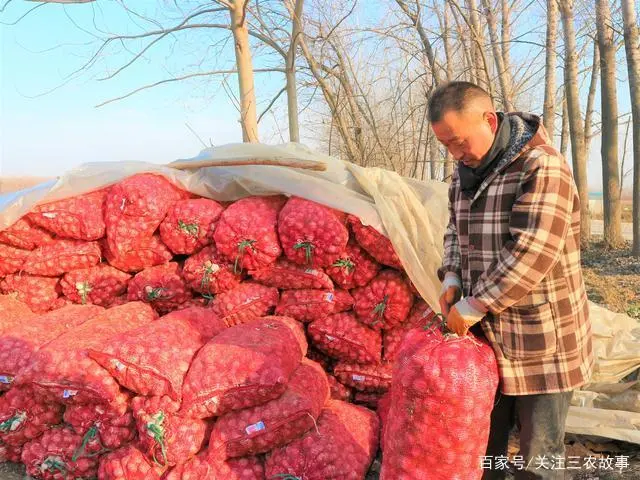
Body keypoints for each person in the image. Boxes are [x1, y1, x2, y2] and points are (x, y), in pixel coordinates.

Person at [430, 81, 593, 480]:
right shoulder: (465, 170)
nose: (455, 153)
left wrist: (473, 305)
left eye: (459, 141)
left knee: (540, 456)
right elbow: (455, 229)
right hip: (489, 339)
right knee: (488, 446)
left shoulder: (540, 165)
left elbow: (532, 252)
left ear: (488, 120)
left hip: (543, 339)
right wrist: (452, 274)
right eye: (446, 145)